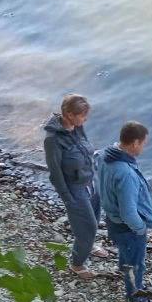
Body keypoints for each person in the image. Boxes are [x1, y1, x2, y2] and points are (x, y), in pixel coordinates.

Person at [99, 120, 152, 302]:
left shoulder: (106, 155)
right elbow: (128, 212)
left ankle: (134, 284)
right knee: (136, 263)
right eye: (144, 144)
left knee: (126, 255)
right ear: (135, 143)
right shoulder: (126, 173)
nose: (144, 148)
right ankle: (137, 300)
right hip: (127, 228)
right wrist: (140, 228)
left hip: (113, 221)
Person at [42, 94, 106, 279]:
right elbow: (55, 173)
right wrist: (67, 198)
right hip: (74, 189)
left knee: (94, 218)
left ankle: (89, 245)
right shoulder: (52, 140)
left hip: (90, 182)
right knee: (87, 227)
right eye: (82, 115)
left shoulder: (77, 128)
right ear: (69, 114)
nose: (85, 119)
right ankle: (77, 264)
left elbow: (86, 151)